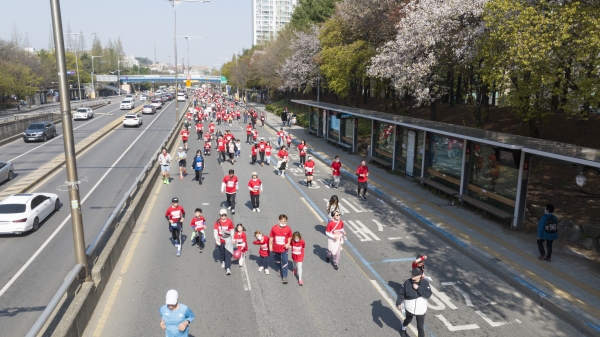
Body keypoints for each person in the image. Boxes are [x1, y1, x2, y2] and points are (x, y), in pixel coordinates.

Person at [398, 268, 432, 337]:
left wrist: (418, 288)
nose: (412, 275)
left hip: (421, 310)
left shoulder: (425, 283)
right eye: (412, 273)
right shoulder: (407, 282)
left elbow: (428, 295)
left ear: (420, 275)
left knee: (420, 327)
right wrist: (399, 303)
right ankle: (403, 328)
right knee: (407, 320)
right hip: (409, 309)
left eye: (415, 275)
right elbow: (401, 293)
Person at [269, 214, 293, 284]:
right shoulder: (274, 228)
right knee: (277, 261)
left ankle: (285, 277)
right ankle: (278, 269)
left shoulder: (288, 228)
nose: (283, 223)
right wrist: (270, 245)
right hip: (275, 248)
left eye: (285, 221)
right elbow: (271, 237)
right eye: (282, 221)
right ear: (279, 220)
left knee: (285, 262)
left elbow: (290, 237)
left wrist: (288, 243)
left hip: (284, 249)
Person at [214, 209, 234, 275]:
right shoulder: (217, 222)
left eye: (225, 215)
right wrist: (216, 240)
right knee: (222, 252)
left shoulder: (229, 221)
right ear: (220, 215)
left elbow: (232, 230)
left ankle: (228, 268)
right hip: (220, 240)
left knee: (227, 254)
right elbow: (215, 231)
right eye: (222, 215)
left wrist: (233, 238)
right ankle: (223, 261)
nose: (223, 216)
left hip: (227, 240)